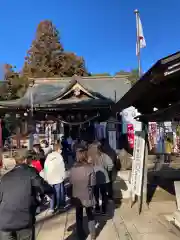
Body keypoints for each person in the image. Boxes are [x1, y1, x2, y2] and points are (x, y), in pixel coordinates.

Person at [0, 151, 53, 240]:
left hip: (4, 222)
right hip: (23, 220)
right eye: (30, 159)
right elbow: (43, 187)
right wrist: (49, 191)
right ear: (25, 160)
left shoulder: (6, 177)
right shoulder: (30, 172)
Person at [69, 147, 96, 240]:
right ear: (85, 155)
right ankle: (93, 234)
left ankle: (80, 234)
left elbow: (71, 181)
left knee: (79, 214)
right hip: (87, 194)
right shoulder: (90, 168)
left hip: (77, 194)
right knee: (90, 214)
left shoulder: (73, 168)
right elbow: (93, 183)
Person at [44, 141, 66, 213]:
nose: (61, 150)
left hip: (50, 178)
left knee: (52, 193)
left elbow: (46, 166)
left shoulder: (49, 156)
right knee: (59, 193)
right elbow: (62, 167)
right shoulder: (59, 156)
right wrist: (63, 176)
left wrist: (46, 176)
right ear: (58, 149)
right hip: (58, 178)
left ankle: (52, 207)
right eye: (61, 149)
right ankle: (60, 206)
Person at [88, 142, 109, 215]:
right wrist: (106, 169)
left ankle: (97, 208)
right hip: (103, 178)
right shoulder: (104, 155)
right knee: (104, 194)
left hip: (94, 177)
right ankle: (104, 209)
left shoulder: (90, 157)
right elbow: (110, 165)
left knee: (95, 193)